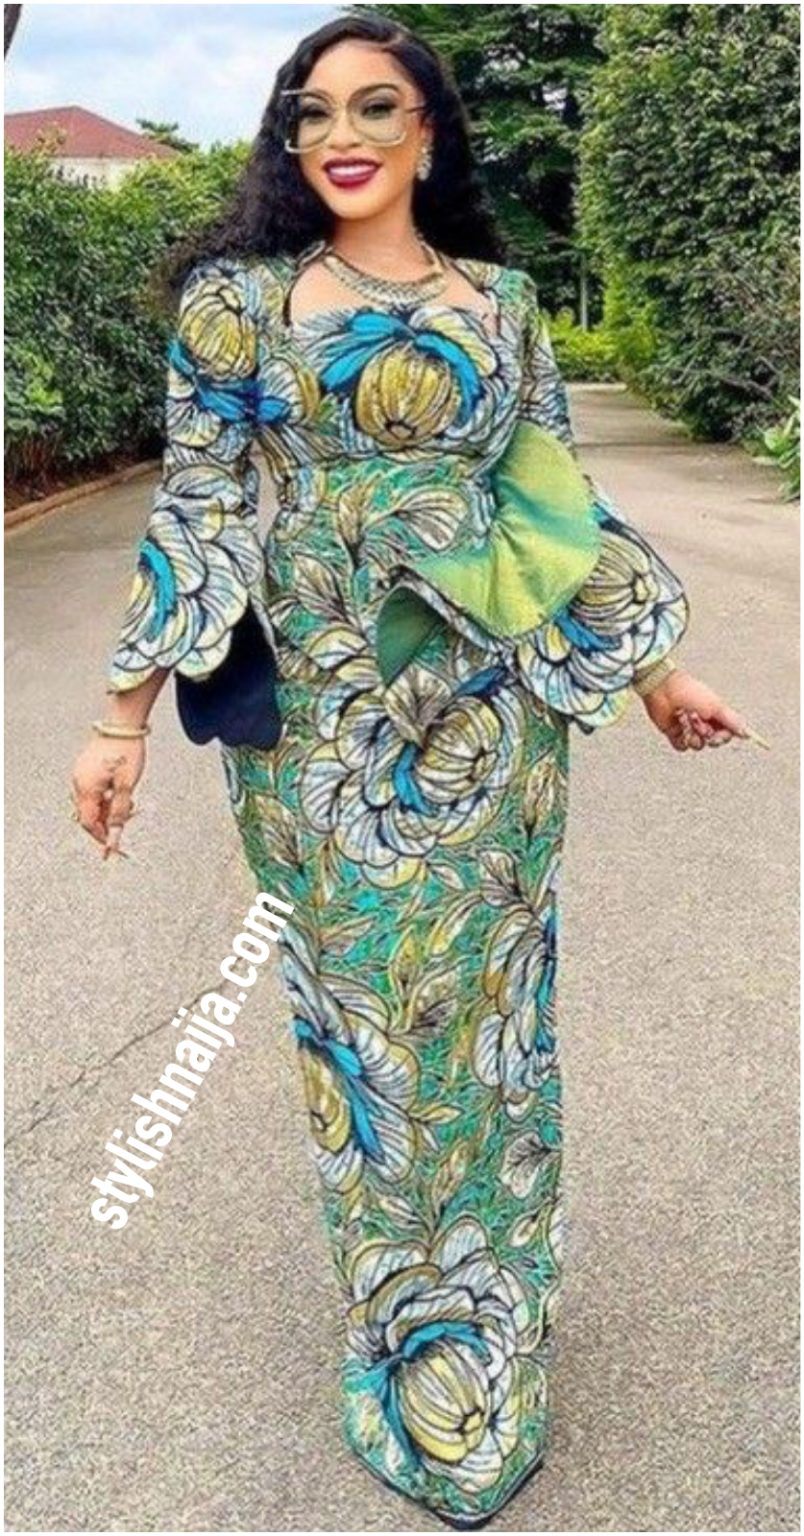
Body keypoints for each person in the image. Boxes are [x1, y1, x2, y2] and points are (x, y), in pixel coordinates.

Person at [70, 13, 753, 1529]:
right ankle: (406, 1333)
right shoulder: (239, 304)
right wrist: (121, 718)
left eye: (377, 106)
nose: (343, 135)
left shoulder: (502, 306)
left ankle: (495, 1334)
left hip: (494, 723)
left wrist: (657, 673)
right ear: (288, 139)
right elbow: (198, 511)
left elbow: (557, 506)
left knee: (494, 1018)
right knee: (367, 1030)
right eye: (312, 113)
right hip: (321, 732)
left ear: (430, 130)